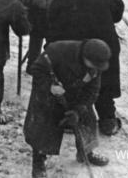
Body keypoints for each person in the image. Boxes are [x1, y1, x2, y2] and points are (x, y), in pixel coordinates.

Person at [45, 0, 124, 136]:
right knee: (104, 81)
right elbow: (118, 14)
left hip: (71, 45)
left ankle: (69, 118)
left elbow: (53, 15)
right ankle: (107, 120)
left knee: (71, 79)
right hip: (103, 43)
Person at [24, 39, 112, 177]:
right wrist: (50, 86)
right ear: (85, 57)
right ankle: (39, 161)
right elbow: (36, 70)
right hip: (50, 94)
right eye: (93, 64)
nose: (95, 68)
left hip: (76, 95)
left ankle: (86, 151)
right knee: (43, 124)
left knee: (87, 118)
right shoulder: (56, 51)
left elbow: (93, 91)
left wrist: (78, 110)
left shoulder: (95, 66)